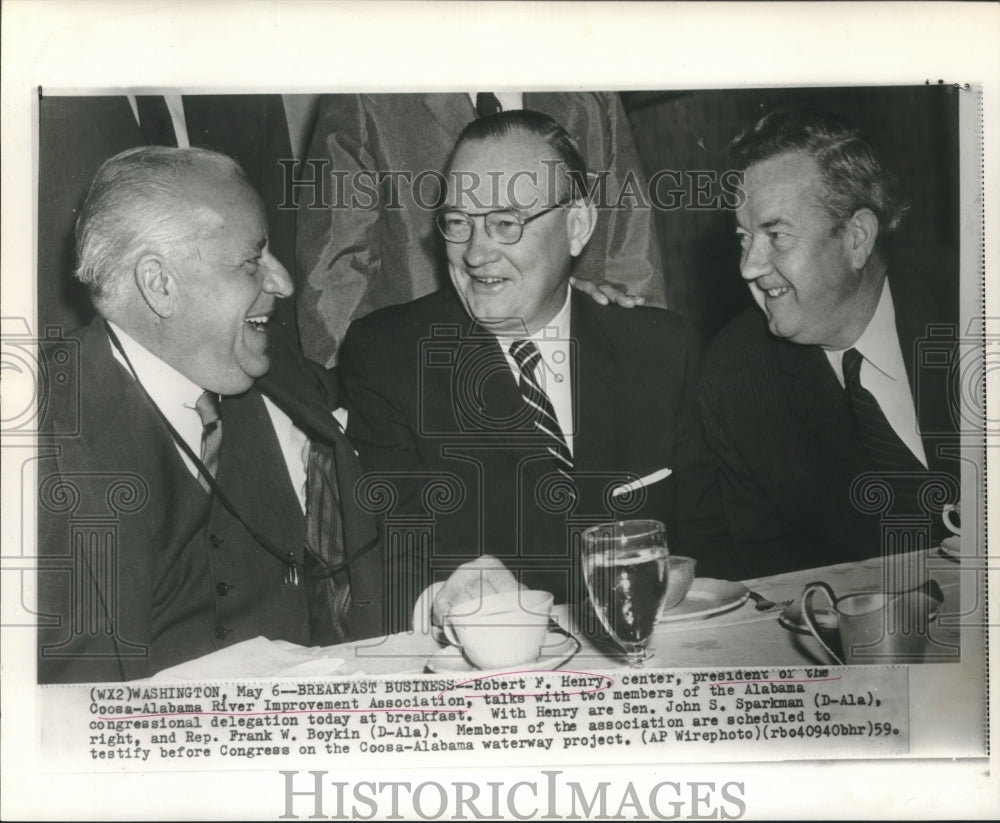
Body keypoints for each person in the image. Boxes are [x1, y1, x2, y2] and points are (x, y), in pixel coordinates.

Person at [338, 110, 732, 630]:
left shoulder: (660, 349)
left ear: (577, 226)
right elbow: (390, 563)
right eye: (458, 222)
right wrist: (444, 602)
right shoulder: (390, 357)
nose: (476, 253)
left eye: (506, 223)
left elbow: (712, 555)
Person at [35, 146, 384, 684]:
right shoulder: (34, 431)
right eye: (252, 261)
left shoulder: (276, 367)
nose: (283, 283)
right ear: (160, 284)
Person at [699, 108, 960, 578]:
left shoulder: (973, 303)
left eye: (777, 235)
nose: (749, 266)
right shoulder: (736, 378)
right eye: (744, 238)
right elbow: (773, 570)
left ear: (856, 238)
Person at [295, 92, 667, 367]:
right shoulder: (368, 93)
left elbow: (631, 258)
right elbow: (334, 278)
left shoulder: (590, 91)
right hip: (428, 377)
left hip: (573, 370)